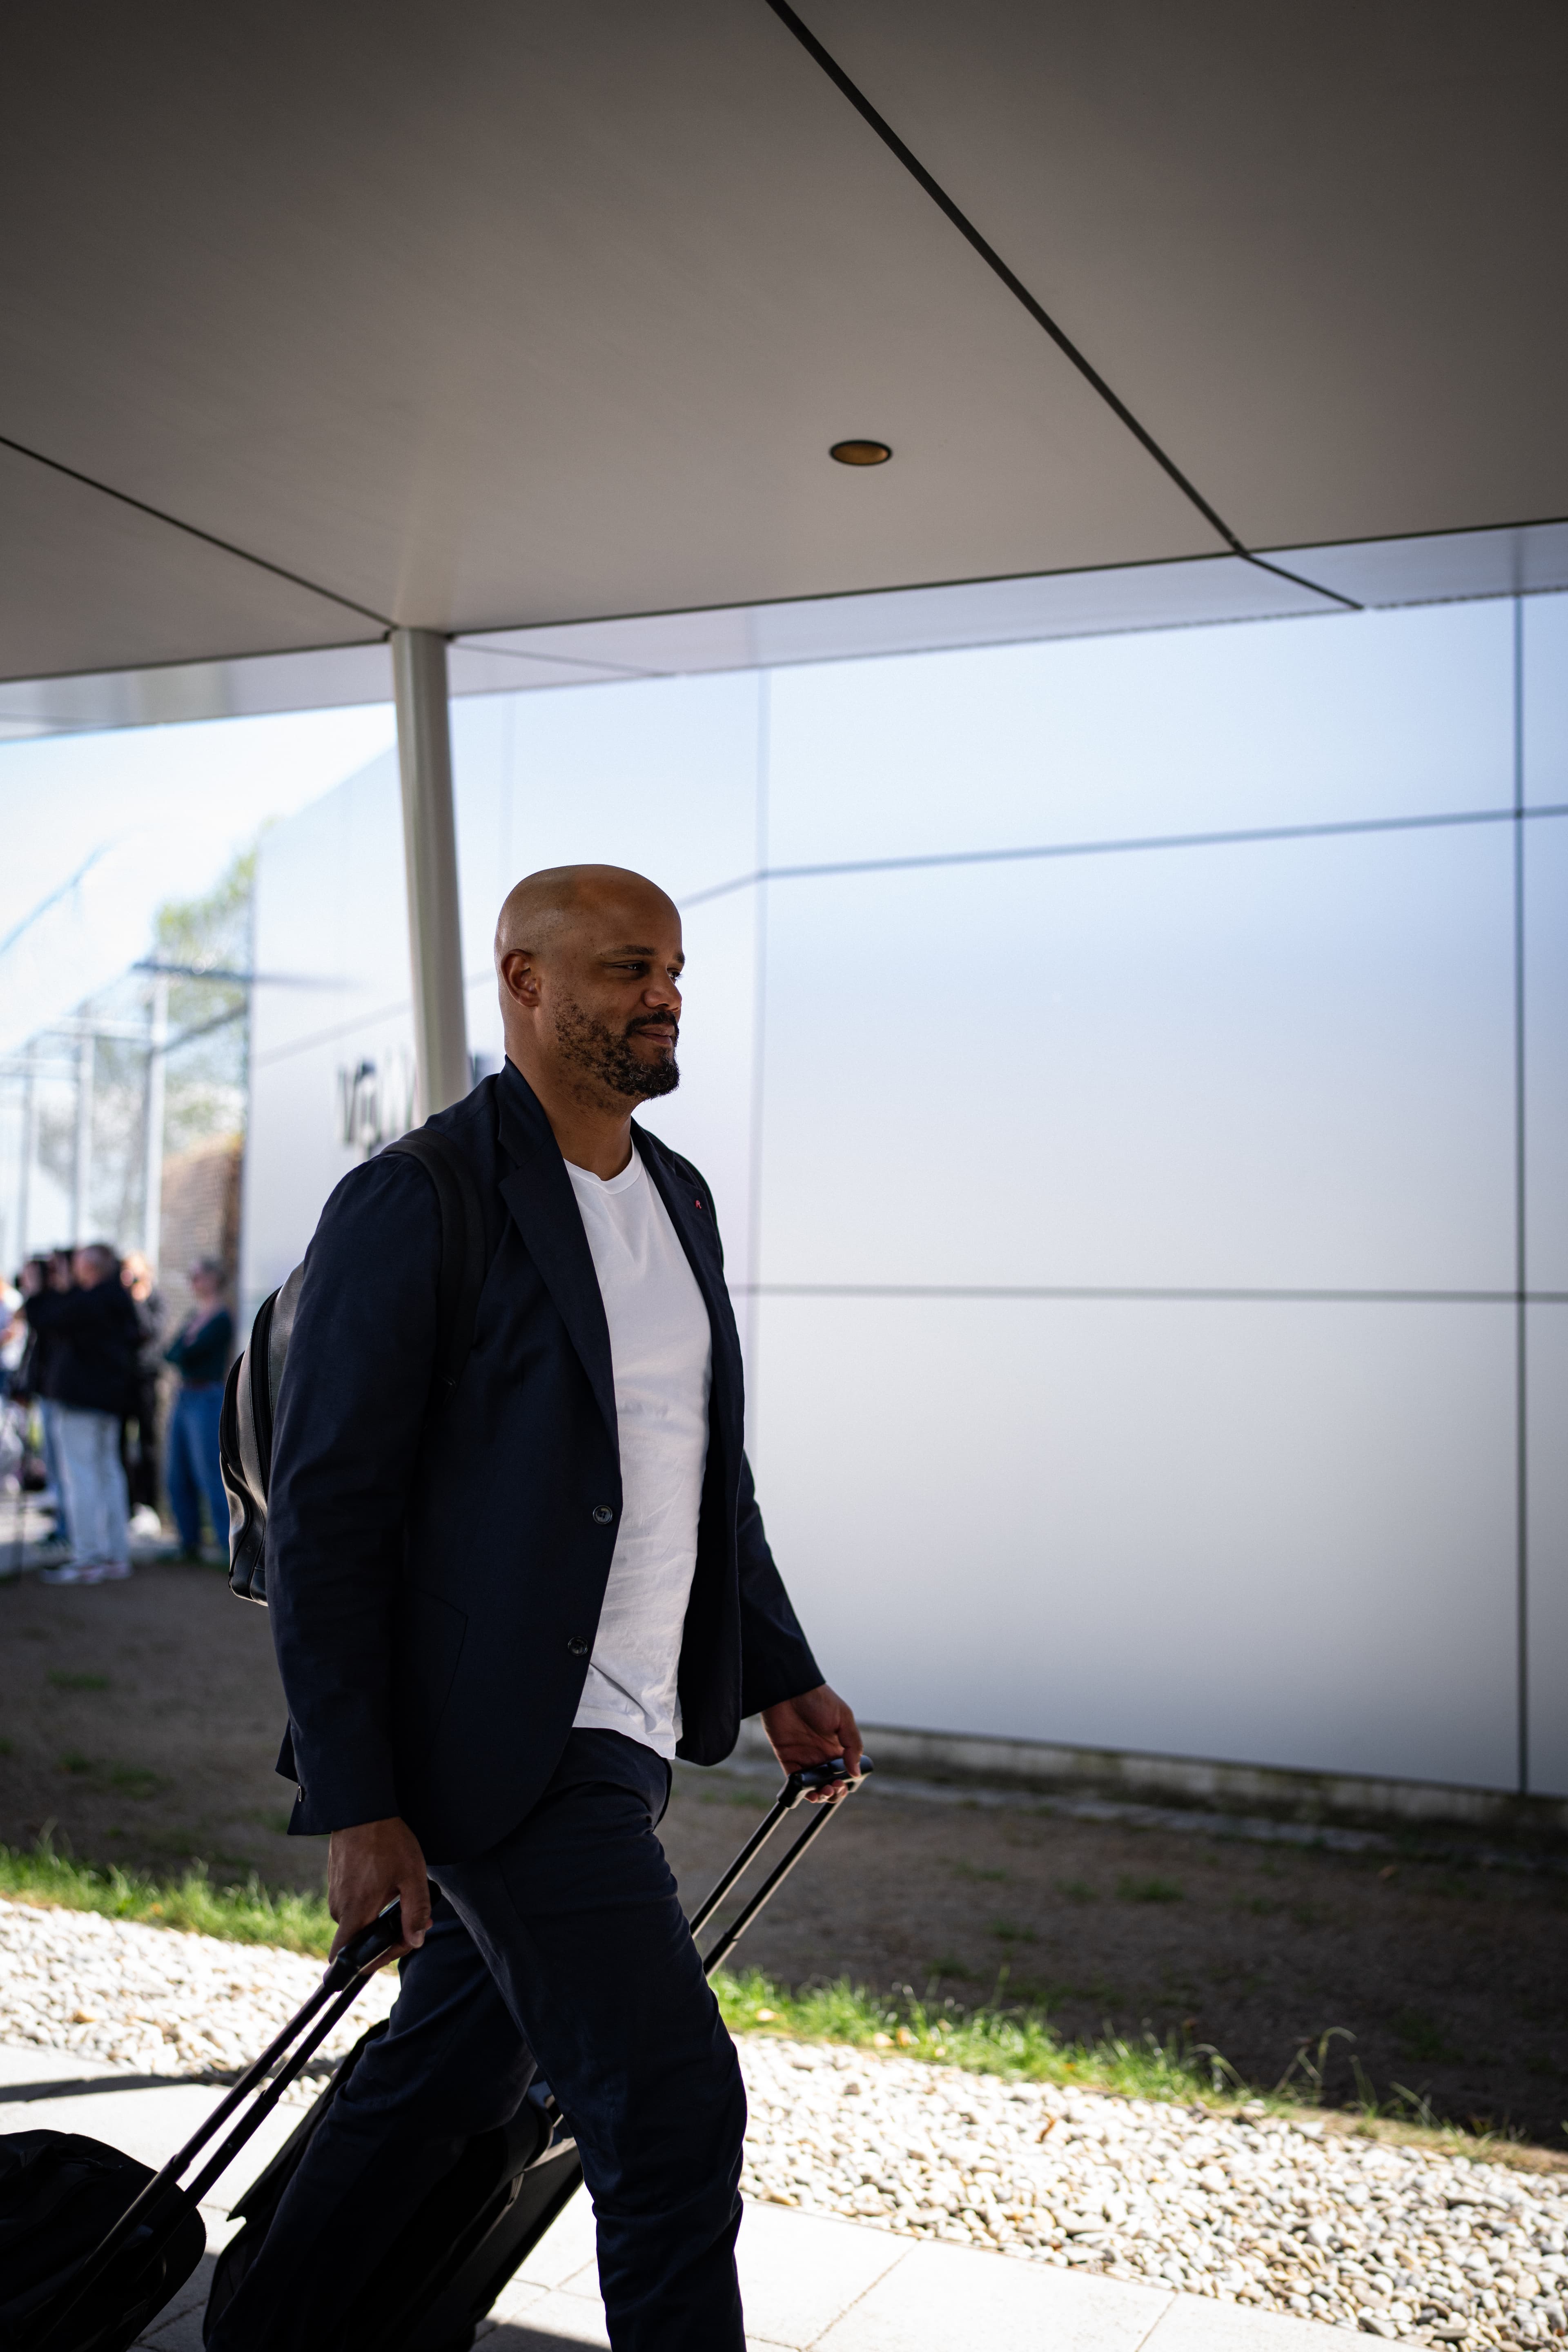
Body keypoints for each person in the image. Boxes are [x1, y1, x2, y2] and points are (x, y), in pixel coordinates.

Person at [210, 865, 861, 2352]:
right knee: (673, 2103)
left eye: (675, 969)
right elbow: (329, 1515)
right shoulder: (418, 1197)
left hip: (624, 1725)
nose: (665, 996)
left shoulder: (676, 1195)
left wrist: (776, 1667)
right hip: (493, 1736)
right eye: (631, 968)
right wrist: (360, 1796)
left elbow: (695, 1468)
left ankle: (271, 2326)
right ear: (524, 982)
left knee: (450, 2072)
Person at [20, 1243, 138, 1585]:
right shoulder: (117, 1298)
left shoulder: (92, 1301)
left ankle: (88, 1558)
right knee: (108, 1475)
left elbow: (44, 1317)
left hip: (82, 1404)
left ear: (90, 1269)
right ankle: (115, 1555)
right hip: (110, 1402)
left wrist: (39, 1289)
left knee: (81, 1478)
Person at [164, 1256, 233, 1559]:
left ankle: (227, 1547)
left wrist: (187, 1347)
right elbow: (173, 1353)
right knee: (177, 1473)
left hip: (207, 1398)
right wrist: (187, 1346)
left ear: (214, 1279)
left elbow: (192, 1354)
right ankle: (188, 1542)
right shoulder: (195, 1315)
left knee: (209, 1472)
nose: (193, 1283)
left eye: (198, 1277)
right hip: (184, 1397)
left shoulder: (221, 1319)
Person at [119, 1250, 166, 1527]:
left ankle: (149, 1504)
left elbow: (149, 1332)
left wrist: (138, 1300)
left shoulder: (155, 1299)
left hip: (147, 1378)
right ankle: (126, 1504)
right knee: (121, 1444)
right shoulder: (119, 1301)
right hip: (122, 1380)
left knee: (148, 1442)